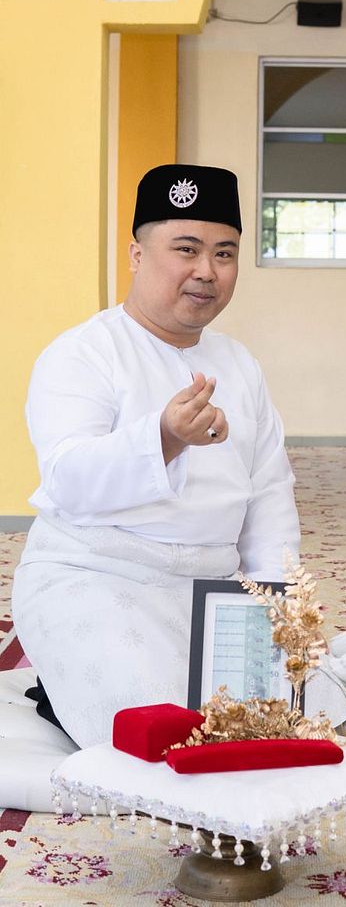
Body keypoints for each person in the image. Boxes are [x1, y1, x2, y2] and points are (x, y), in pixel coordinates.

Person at [12, 164, 299, 748]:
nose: (207, 271)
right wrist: (163, 438)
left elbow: (269, 493)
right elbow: (67, 480)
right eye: (186, 249)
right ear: (137, 255)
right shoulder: (82, 354)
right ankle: (63, 693)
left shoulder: (240, 364)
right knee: (167, 729)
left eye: (224, 253)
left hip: (212, 590)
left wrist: (276, 607)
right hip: (97, 577)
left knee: (301, 714)